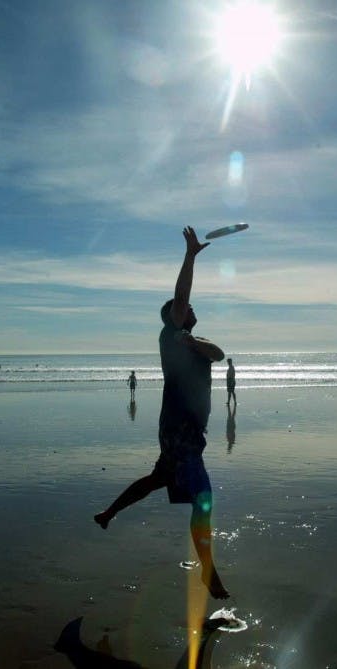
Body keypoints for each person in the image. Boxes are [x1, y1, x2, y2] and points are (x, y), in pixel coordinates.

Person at [94, 227, 229, 600]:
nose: (190, 310)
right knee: (203, 499)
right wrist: (190, 257)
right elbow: (183, 298)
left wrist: (194, 342)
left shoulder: (189, 342)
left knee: (158, 478)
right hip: (182, 431)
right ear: (174, 316)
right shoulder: (170, 335)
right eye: (182, 311)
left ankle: (108, 513)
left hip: (179, 430)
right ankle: (209, 572)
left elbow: (217, 353)